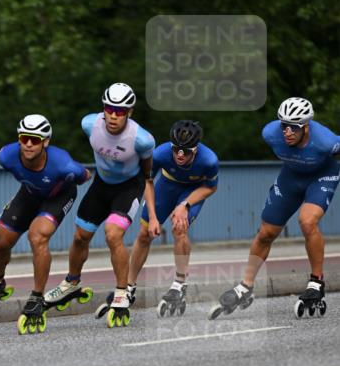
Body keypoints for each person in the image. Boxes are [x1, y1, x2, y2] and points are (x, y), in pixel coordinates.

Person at [210, 97, 340, 320]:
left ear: (306, 126)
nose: (287, 132)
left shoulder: (327, 142)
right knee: (266, 233)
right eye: (284, 125)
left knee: (307, 221)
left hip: (321, 176)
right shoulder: (270, 133)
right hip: (291, 178)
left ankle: (316, 282)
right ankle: (246, 286)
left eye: (294, 127)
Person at [0, 114, 91, 332]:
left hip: (58, 197)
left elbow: (85, 175)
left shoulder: (63, 164)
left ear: (46, 142)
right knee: (2, 239)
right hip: (29, 193)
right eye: (24, 138)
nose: (28, 144)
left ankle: (37, 297)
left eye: (35, 140)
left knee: (37, 237)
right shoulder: (6, 156)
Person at [44, 83, 157, 327]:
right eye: (109, 108)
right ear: (103, 108)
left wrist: (152, 211)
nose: (114, 115)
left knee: (113, 235)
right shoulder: (88, 124)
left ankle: (121, 291)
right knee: (79, 237)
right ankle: (71, 283)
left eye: (120, 111)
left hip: (128, 187)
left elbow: (148, 175)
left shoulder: (142, 140)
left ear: (130, 112)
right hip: (101, 185)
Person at [124, 120, 219, 316]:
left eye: (186, 151)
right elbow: (148, 182)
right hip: (166, 186)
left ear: (196, 149)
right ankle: (128, 286)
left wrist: (185, 205)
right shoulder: (160, 153)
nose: (180, 155)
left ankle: (179, 283)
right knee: (144, 233)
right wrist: (152, 217)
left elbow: (211, 187)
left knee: (179, 227)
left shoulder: (209, 160)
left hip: (193, 190)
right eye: (176, 149)